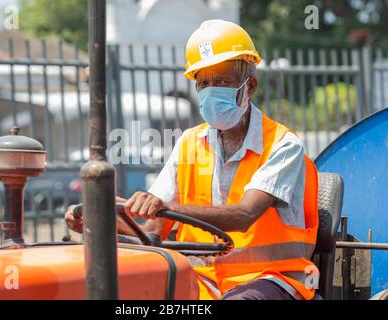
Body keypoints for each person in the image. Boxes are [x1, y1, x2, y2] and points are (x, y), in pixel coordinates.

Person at [65, 19, 319, 300]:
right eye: (204, 82)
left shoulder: (283, 145)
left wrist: (166, 206)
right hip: (203, 280)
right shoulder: (188, 142)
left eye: (222, 80)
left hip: (272, 278)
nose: (212, 90)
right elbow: (153, 229)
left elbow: (244, 215)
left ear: (250, 86)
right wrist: (98, 221)